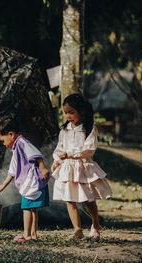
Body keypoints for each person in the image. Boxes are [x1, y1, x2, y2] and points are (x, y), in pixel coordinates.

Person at [51, 93, 112, 240]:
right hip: (67, 168)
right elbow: (60, 148)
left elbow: (89, 149)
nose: (68, 116)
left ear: (81, 111)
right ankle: (77, 229)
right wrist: (57, 160)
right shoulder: (64, 130)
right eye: (65, 113)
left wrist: (70, 154)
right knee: (69, 199)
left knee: (87, 199)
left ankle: (95, 225)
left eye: (72, 112)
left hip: (82, 167)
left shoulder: (88, 128)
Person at [0, 114, 50, 243]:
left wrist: (43, 168)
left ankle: (26, 235)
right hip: (30, 183)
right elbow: (12, 171)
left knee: (26, 208)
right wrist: (3, 185)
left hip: (32, 182)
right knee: (32, 209)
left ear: (11, 134)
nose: (3, 144)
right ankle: (33, 234)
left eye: (3, 140)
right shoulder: (16, 148)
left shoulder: (22, 142)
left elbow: (36, 155)